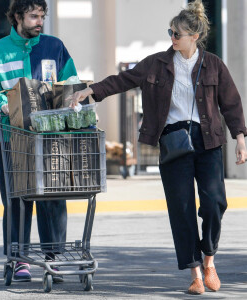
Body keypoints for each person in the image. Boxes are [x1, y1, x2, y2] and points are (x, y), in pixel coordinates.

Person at [67, 0, 247, 295]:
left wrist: (240, 138)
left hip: (208, 141)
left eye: (177, 34)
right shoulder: (157, 63)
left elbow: (231, 103)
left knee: (215, 203)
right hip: (174, 142)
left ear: (195, 35)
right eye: (170, 32)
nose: (172, 38)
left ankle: (209, 259)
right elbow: (122, 80)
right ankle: (195, 274)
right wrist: (91, 90)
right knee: (182, 208)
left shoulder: (213, 64)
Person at [0, 0, 77, 283]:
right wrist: (6, 104)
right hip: (13, 139)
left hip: (50, 138)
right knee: (16, 201)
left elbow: (70, 79)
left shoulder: (54, 47)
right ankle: (18, 259)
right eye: (34, 16)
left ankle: (53, 258)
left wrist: (72, 97)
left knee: (53, 199)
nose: (40, 21)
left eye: (42, 16)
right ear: (18, 17)